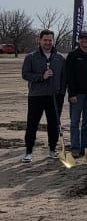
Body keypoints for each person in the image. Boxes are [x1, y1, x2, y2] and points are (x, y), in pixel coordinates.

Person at [21, 30, 66, 162]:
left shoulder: (60, 58)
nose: (47, 43)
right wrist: (42, 77)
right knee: (32, 124)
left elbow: (64, 78)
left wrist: (61, 92)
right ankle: (28, 151)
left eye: (50, 40)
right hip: (36, 96)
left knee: (54, 124)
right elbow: (25, 74)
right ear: (40, 40)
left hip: (54, 96)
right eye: (45, 40)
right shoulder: (31, 57)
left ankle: (52, 149)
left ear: (53, 41)